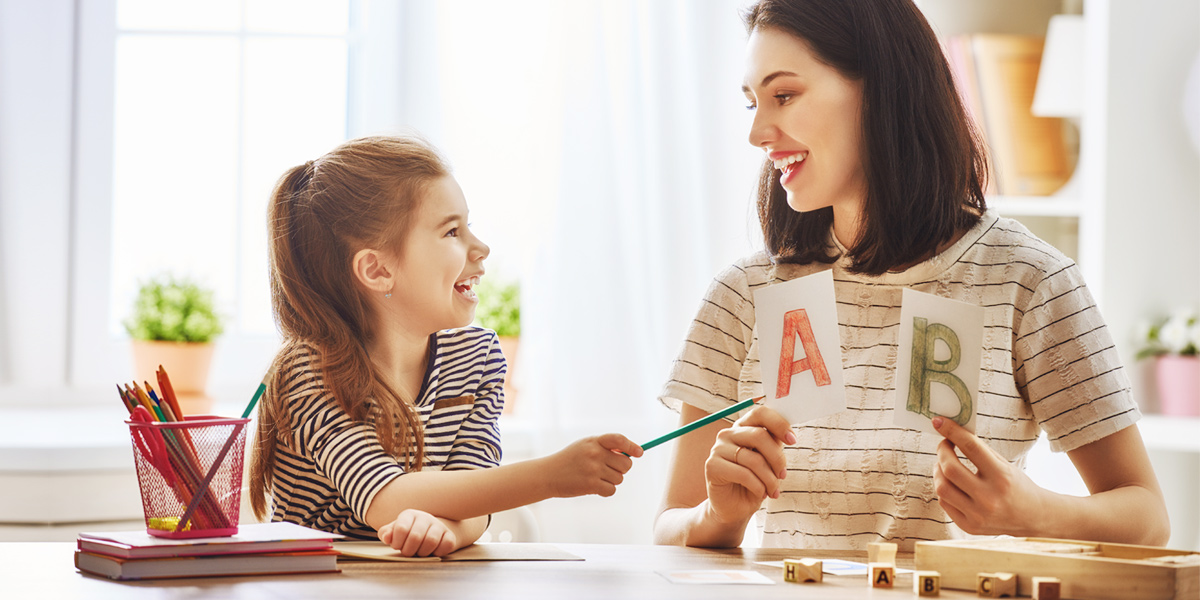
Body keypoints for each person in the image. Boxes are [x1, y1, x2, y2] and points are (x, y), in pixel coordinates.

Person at [652, 0, 1169, 552]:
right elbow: (667, 526)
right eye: (752, 102)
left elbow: (1147, 518)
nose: (757, 132)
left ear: (881, 89)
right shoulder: (744, 294)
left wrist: (1034, 511)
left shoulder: (1029, 281)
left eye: (784, 95)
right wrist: (717, 516)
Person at [249, 135, 642, 557]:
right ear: (377, 269)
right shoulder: (307, 371)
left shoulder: (477, 358)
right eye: (452, 231)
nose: (481, 248)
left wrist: (449, 532)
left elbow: (475, 494)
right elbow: (384, 498)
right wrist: (549, 476)